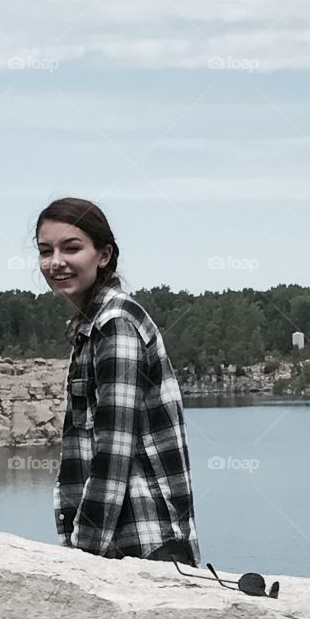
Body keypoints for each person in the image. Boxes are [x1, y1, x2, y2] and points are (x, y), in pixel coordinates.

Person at [36, 197, 201, 567]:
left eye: (71, 248)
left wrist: (84, 557)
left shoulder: (116, 325)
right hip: (127, 545)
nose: (56, 262)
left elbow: (114, 449)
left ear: (104, 255)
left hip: (144, 545)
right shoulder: (92, 327)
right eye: (46, 251)